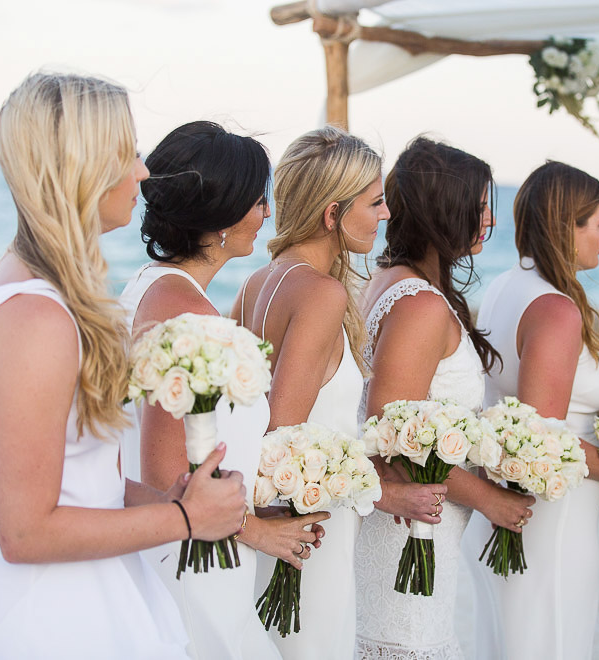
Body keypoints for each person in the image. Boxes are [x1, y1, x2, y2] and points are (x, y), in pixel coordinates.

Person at [0, 72, 247, 659]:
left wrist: (165, 502)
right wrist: (185, 519)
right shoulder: (36, 318)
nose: (143, 173)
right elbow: (25, 532)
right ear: (83, 165)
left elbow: (81, 486)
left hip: (82, 599)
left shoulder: (32, 287)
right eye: (127, 152)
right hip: (44, 624)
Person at [119, 120, 328, 660]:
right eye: (257, 200)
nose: (266, 213)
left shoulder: (147, 286)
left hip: (189, 551)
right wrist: (258, 532)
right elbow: (167, 481)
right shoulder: (187, 316)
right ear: (218, 218)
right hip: (194, 567)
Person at [237, 125, 434, 659]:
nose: (386, 213)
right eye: (374, 202)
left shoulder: (259, 281)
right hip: (308, 536)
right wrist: (385, 492)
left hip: (289, 529)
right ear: (332, 213)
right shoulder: (320, 294)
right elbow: (281, 437)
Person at [354, 136, 535, 659]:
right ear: (443, 210)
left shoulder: (391, 280)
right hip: (406, 534)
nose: (490, 220)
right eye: (479, 207)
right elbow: (392, 438)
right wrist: (493, 501)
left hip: (421, 526)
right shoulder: (420, 306)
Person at [477, 160, 599, 659]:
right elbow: (543, 438)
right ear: (566, 226)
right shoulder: (555, 308)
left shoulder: (503, 287)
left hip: (514, 523)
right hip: (551, 526)